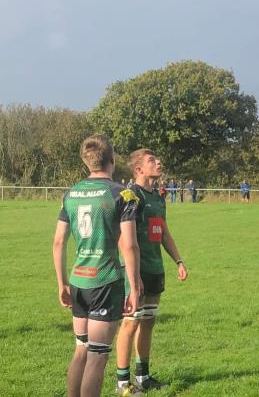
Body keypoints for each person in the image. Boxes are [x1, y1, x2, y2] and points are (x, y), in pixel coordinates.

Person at [52, 135, 140, 397]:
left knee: (81, 350)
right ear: (112, 159)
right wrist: (133, 287)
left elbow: (58, 242)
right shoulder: (123, 194)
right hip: (105, 280)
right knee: (97, 356)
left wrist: (61, 283)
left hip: (78, 280)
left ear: (86, 162)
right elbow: (130, 245)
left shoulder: (72, 193)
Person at [116, 149, 188, 395]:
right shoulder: (130, 196)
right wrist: (133, 275)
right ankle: (122, 383)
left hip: (155, 268)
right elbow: (122, 239)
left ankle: (143, 377)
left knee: (148, 322)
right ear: (139, 170)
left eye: (157, 158)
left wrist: (178, 260)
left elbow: (164, 232)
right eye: (151, 161)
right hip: (136, 270)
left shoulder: (158, 197)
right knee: (130, 324)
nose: (158, 162)